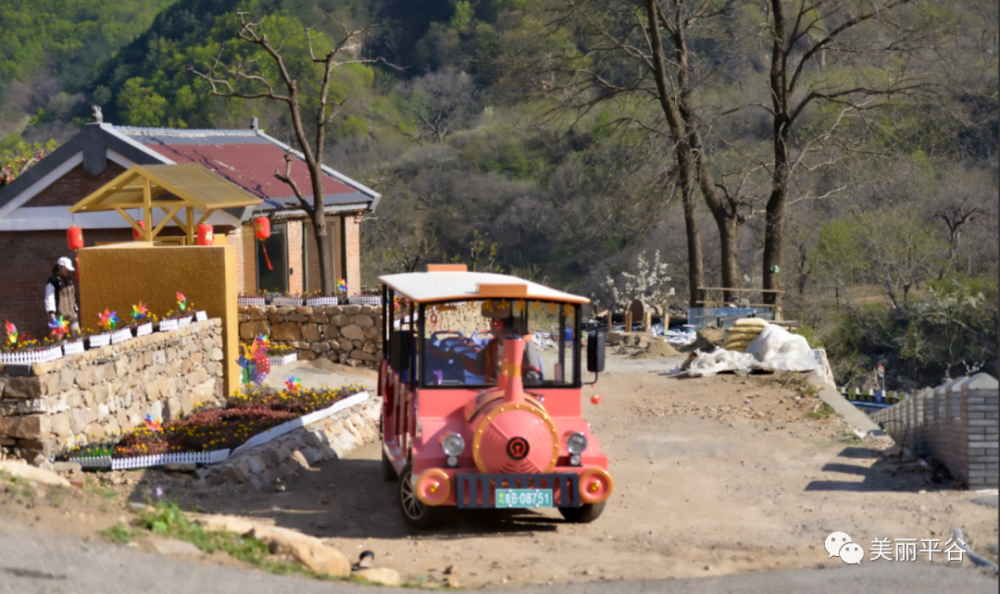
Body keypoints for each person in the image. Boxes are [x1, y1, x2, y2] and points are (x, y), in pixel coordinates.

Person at [471, 302, 542, 384]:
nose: (489, 324)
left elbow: (533, 376)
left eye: (491, 321)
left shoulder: (526, 344)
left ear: (497, 324)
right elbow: (479, 369)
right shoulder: (491, 345)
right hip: (493, 391)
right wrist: (460, 358)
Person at [45, 257, 80, 337]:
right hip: (58, 316)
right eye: (66, 268)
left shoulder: (69, 280)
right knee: (57, 340)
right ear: (60, 267)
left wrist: (75, 310)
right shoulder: (53, 281)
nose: (68, 271)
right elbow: (49, 298)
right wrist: (51, 312)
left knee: (77, 336)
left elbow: (72, 296)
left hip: (71, 314)